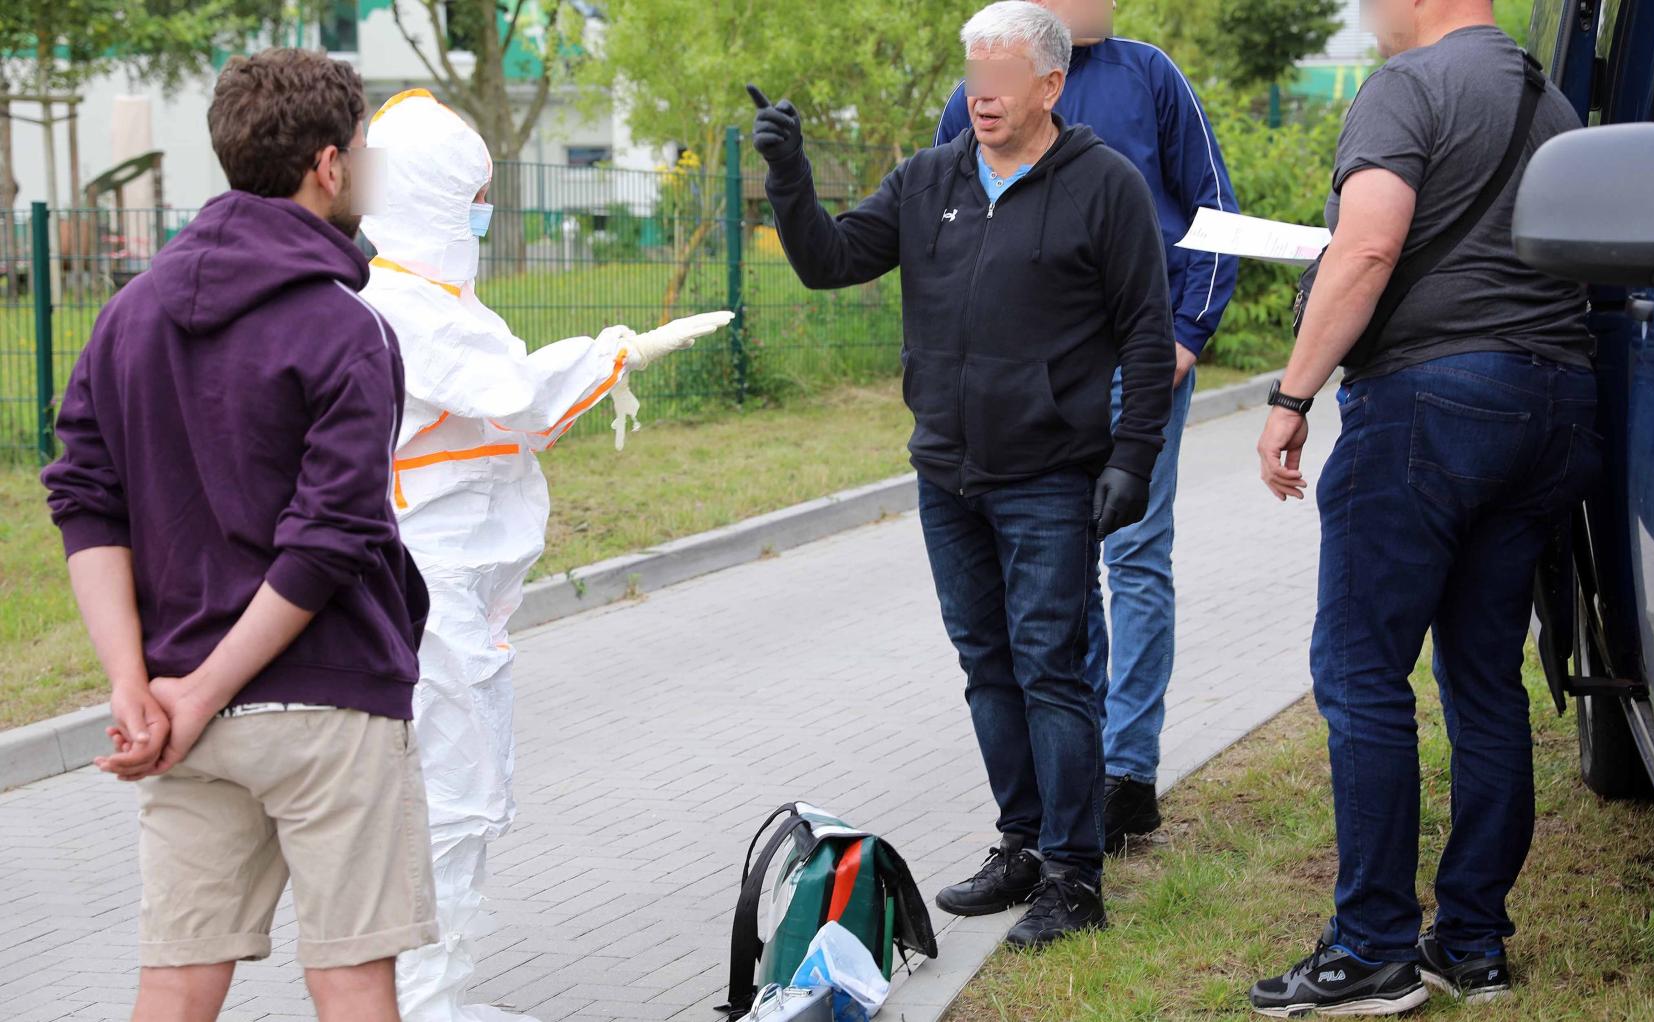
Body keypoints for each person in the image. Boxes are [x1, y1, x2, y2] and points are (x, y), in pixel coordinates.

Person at [752, 0, 1175, 949]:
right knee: (988, 667)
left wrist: (1133, 458)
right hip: (948, 473)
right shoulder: (928, 178)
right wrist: (789, 174)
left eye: (1000, 79)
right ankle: (1021, 844)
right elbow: (828, 262)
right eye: (972, 75)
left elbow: (1148, 332)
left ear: (1051, 85)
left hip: (1053, 477)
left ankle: (1074, 876)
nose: (980, 95)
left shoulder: (1103, 187)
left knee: (1052, 671)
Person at [42, 48, 436, 1022]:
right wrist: (202, 684)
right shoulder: (348, 329)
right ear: (330, 166)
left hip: (184, 716)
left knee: (176, 981)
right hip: (329, 702)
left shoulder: (125, 318)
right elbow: (330, 536)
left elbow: (84, 497)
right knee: (349, 979)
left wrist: (140, 688)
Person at [1248, 0, 1595, 1015]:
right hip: (1554, 406)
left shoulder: (1405, 89)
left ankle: (1370, 949)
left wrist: (1288, 395)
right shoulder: (1554, 103)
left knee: (1359, 671)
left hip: (1429, 407)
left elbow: (1363, 251)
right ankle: (1472, 943)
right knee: (1483, 675)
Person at [357, 90, 732, 1021]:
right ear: (443, 198)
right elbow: (520, 398)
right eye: (477, 193)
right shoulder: (411, 309)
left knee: (455, 795)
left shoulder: (432, 298)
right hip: (434, 586)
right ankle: (427, 1004)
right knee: (455, 800)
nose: (487, 210)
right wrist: (616, 353)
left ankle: (433, 995)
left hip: (456, 582)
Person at [936, 0, 1239, 852]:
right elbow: (944, 222)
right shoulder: (983, 91)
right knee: (1058, 572)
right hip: (1032, 387)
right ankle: (1077, 768)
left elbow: (1214, 207)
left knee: (1135, 555)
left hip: (1142, 366)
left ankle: (1127, 773)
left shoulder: (1151, 75)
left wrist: (1185, 335)